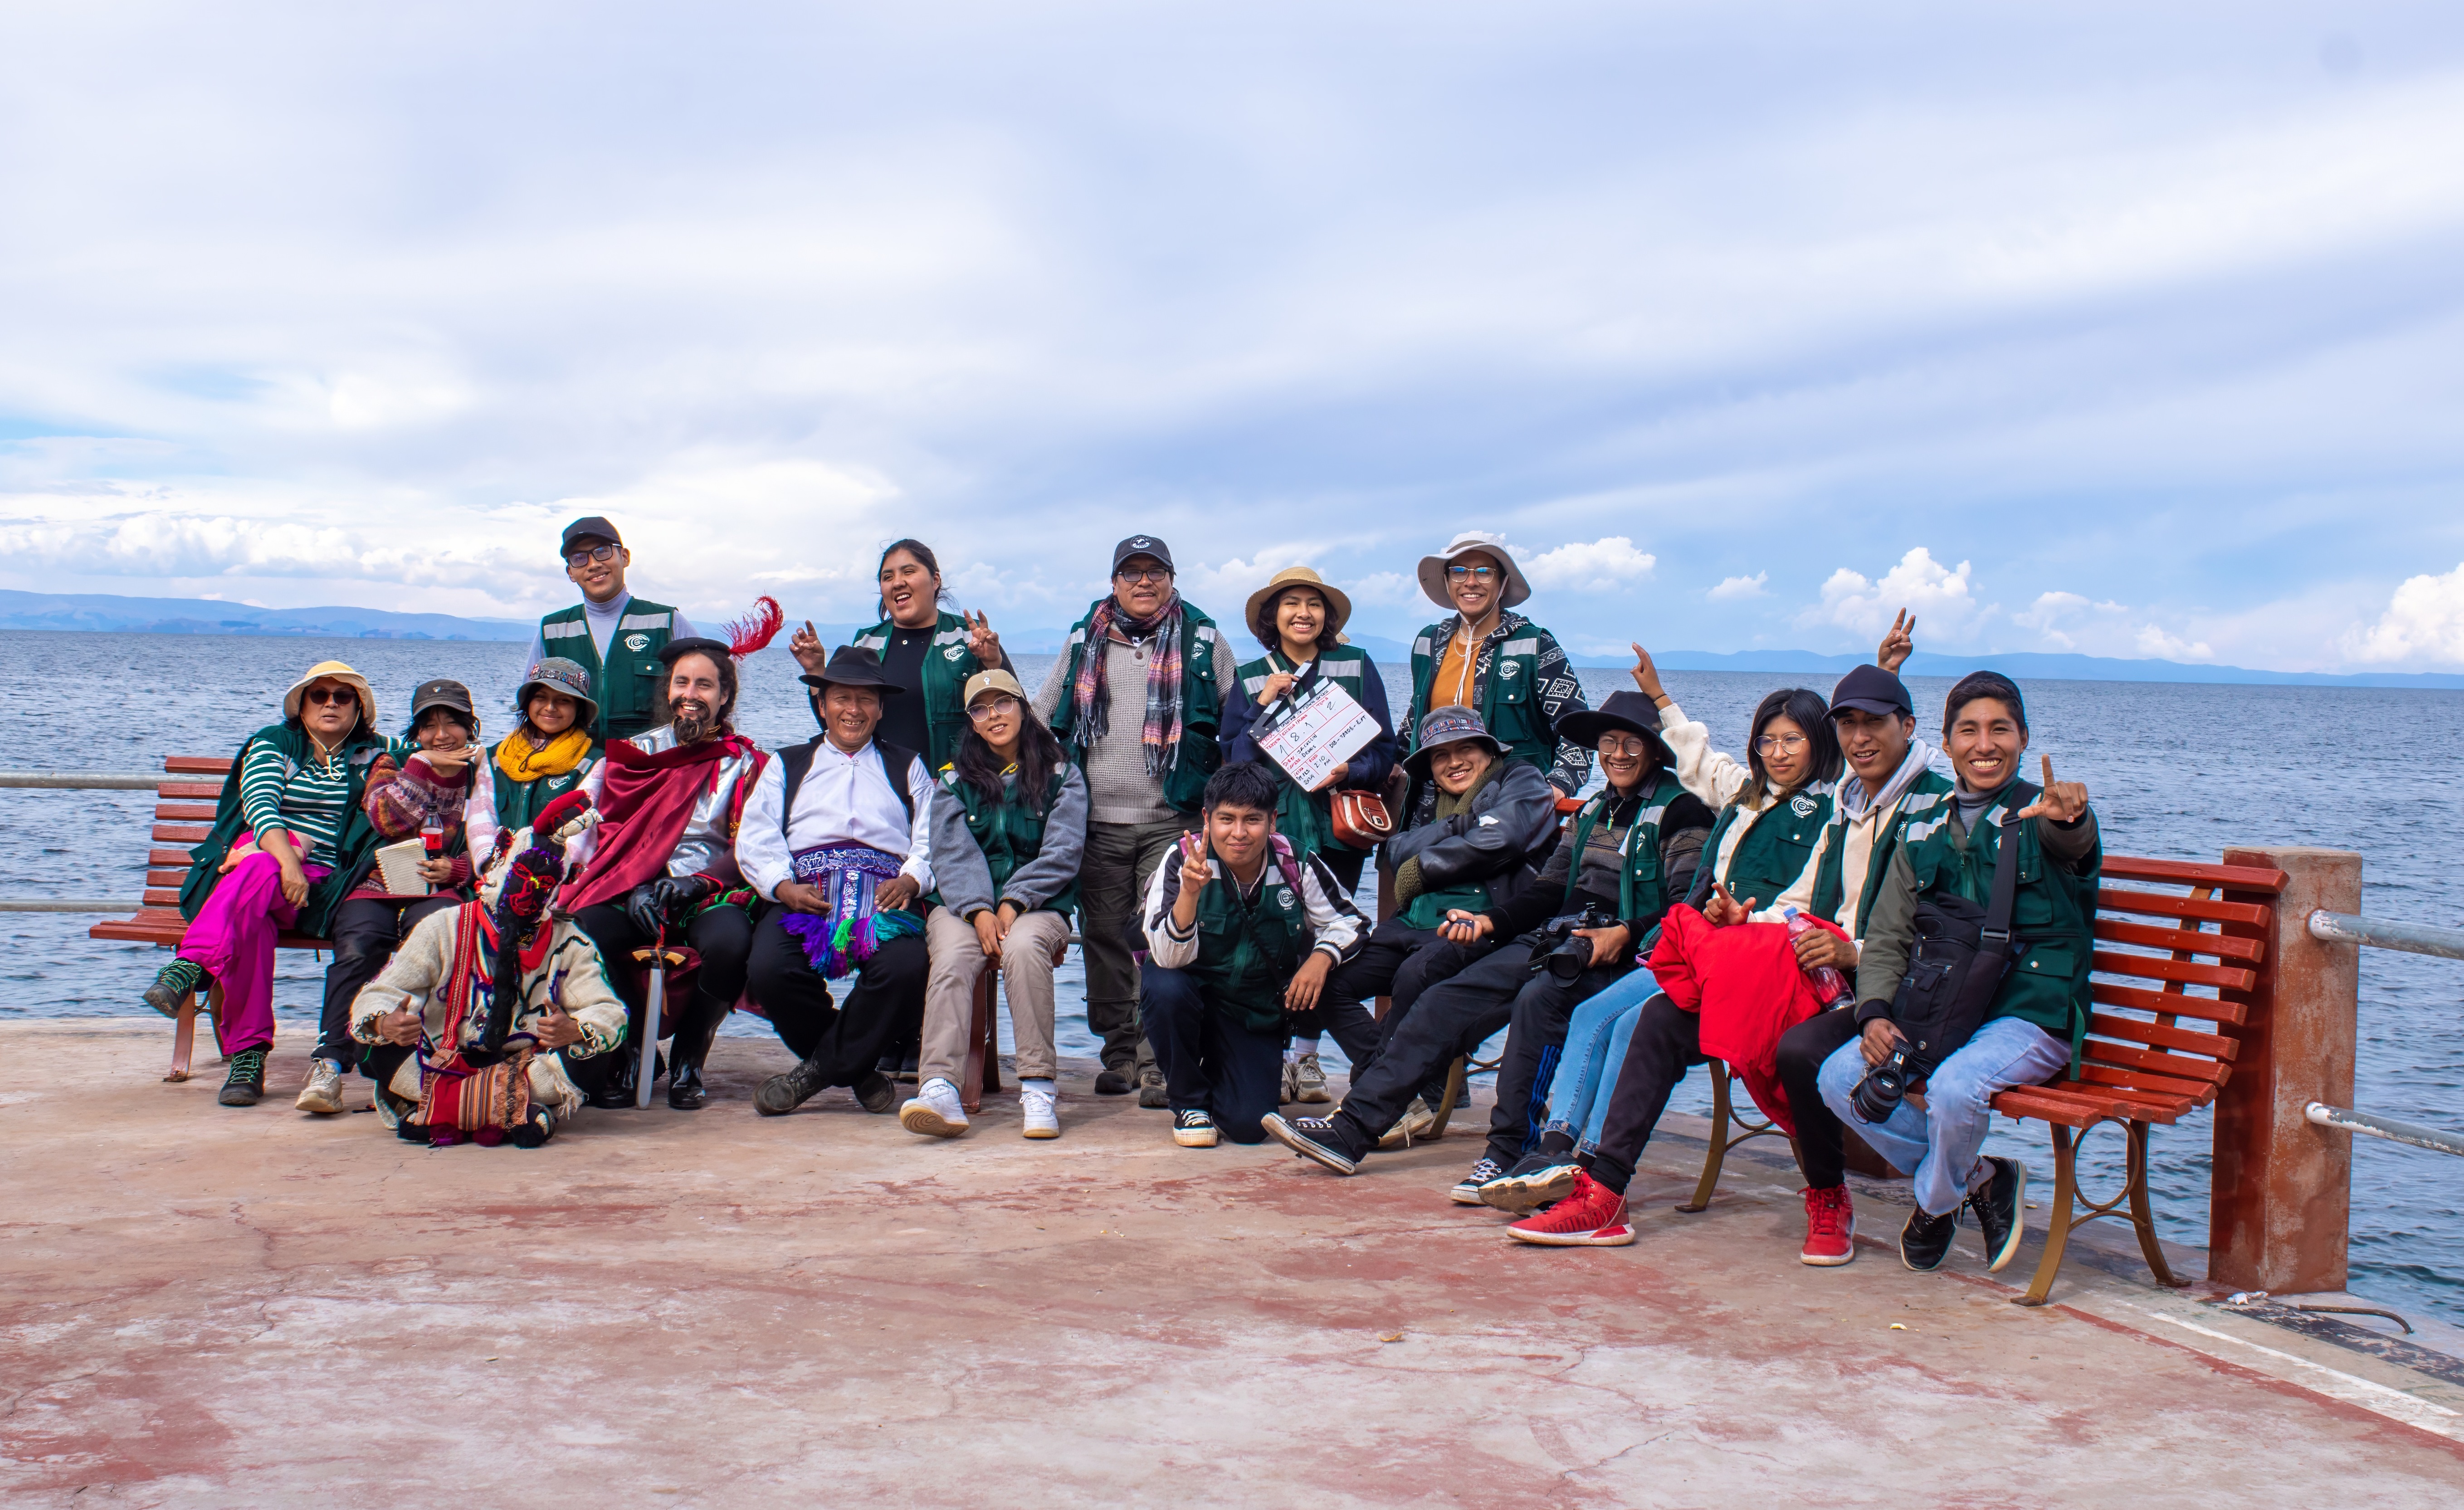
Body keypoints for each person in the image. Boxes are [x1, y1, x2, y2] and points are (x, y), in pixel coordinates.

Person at [1264, 693, 1713, 1187]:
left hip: (1628, 955)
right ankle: (1350, 1132)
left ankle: (1508, 1150)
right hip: (1558, 940)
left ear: (1654, 749)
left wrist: (1624, 933)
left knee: (1537, 1002)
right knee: (1442, 999)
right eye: (1608, 742)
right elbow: (1548, 890)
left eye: (1632, 742)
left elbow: (1685, 904)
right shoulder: (1595, 809)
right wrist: (1492, 923)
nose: (1618, 754)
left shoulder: (1681, 810)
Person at [1496, 678, 1844, 1246]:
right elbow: (1700, 759)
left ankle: (1592, 1170)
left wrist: (1887, 675)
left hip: (1763, 958)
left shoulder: (1833, 807)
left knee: (1633, 1024)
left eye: (1793, 740)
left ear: (1821, 743)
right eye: (1767, 741)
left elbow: (1816, 887)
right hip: (1705, 948)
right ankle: (1553, 1153)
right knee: (1594, 1014)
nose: (1778, 753)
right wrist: (1661, 699)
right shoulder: (1747, 797)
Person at [1816, 673, 2098, 1275]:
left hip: (2028, 1014)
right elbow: (1889, 934)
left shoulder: (2041, 811)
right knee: (1839, 1076)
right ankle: (1983, 1178)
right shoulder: (1922, 827)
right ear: (1946, 745)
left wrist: (2073, 818)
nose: (1984, 744)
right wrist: (1874, 1013)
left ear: (2023, 739)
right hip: (1944, 1009)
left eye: (2000, 729)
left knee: (1953, 1090)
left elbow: (2073, 841)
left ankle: (1934, 1202)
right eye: (1967, 731)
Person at [1033, 533, 1239, 1106]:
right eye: (1132, 572)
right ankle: (1119, 1053)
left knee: (1158, 937)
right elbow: (1041, 711)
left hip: (1172, 818)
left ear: (1172, 579)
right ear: (1114, 582)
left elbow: (1236, 719)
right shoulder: (1085, 636)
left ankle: (1157, 1061)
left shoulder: (1204, 639)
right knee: (1101, 937)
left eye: (1155, 571)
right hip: (1096, 819)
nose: (1143, 582)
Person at [147, 660, 405, 1109]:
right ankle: (247, 1054)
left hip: (326, 887)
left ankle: (197, 973)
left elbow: (441, 746)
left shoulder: (378, 751)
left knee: (253, 881)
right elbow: (261, 807)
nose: (330, 703)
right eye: (319, 695)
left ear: (359, 707)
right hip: (269, 872)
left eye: (342, 696)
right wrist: (289, 858)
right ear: (301, 704)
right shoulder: (273, 743)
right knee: (258, 884)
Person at [1306, 706, 1558, 1135]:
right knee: (1330, 978)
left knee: (1415, 975)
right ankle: (1395, 1089)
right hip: (1413, 920)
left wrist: (1430, 855)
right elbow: (1393, 849)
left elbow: (1502, 838)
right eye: (1441, 756)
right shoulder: (1425, 793)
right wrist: (1460, 825)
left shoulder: (1520, 777)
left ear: (1488, 751)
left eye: (1465, 749)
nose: (1454, 762)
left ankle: (1377, 1101)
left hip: (1482, 923)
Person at [558, 636, 768, 1110]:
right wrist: (633, 885)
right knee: (589, 925)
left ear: (725, 696)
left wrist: (698, 881)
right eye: (682, 682)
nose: (692, 693)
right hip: (637, 886)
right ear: (669, 691)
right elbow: (603, 834)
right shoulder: (633, 755)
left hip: (707, 888)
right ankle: (636, 1049)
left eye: (706, 684)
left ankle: (691, 1056)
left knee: (732, 941)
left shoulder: (749, 764)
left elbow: (754, 846)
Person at [349, 794, 627, 1146]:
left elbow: (608, 1010)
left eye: (543, 887)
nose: (529, 894)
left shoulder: (569, 941)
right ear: (498, 872)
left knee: (595, 1054)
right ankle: (512, 1110)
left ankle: (442, 1108)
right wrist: (386, 1020)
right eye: (522, 877)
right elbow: (381, 992)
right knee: (370, 1044)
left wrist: (573, 1029)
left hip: (525, 1065)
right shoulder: (443, 926)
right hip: (444, 1058)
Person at [1220, 565, 1400, 1103]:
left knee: (1327, 936)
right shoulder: (1253, 675)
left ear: (1327, 616)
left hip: (1336, 826)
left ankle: (1308, 1057)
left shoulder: (1356, 663)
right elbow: (1233, 758)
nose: (1303, 612)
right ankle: (1274, 1054)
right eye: (1291, 603)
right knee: (1274, 936)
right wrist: (1262, 705)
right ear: (1271, 616)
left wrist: (1351, 771)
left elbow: (1384, 747)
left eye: (1313, 603)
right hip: (1273, 829)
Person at [745, 645, 937, 1119]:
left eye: (866, 699)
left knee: (907, 965)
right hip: (804, 895)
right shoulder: (786, 764)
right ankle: (858, 1070)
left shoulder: (908, 765)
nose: (854, 709)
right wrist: (782, 886)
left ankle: (812, 1073)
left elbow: (931, 836)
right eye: (842, 698)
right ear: (822, 704)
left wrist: (913, 878)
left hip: (886, 895)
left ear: (881, 707)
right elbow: (756, 836)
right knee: (769, 968)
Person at [900, 669, 1088, 1140]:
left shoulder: (1063, 774)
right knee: (954, 955)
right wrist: (981, 908)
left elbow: (1063, 851)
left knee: (1024, 948)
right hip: (964, 905)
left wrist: (1015, 900)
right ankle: (940, 1085)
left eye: (1003, 702)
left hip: (1040, 904)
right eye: (981, 709)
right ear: (972, 721)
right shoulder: (953, 780)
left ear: (1023, 707)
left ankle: (1039, 1086)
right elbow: (950, 851)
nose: (994, 715)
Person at [1138, 762, 1366, 1148]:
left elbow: (1351, 923)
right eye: (1226, 819)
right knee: (1165, 986)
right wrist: (1190, 894)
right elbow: (1166, 956)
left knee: (1248, 1127)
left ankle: (1224, 1075)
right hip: (1191, 995)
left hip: (1251, 1010)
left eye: (1252, 820)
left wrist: (1320, 958)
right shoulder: (1181, 859)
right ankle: (1189, 1102)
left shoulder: (1296, 861)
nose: (1238, 833)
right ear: (1207, 818)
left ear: (1273, 820)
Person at [297, 679, 485, 1116]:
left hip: (443, 887)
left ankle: (402, 1068)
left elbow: (496, 836)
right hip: (378, 885)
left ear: (470, 725)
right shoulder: (393, 762)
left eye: (452, 723)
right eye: (430, 725)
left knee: (434, 940)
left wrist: (457, 870)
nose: (442, 734)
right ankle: (329, 1063)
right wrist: (420, 764)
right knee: (358, 945)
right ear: (416, 731)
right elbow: (387, 819)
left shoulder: (483, 772)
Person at [1404, 530, 1592, 799]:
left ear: (1503, 582)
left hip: (1510, 807)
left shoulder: (1535, 644)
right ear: (1447, 581)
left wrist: (1559, 785)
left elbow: (1578, 728)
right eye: (1459, 571)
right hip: (1430, 807)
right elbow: (1414, 722)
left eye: (1484, 572)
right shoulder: (1428, 643)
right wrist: (1394, 768)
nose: (1470, 582)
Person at [791, 539, 1008, 772]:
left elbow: (1014, 712)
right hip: (883, 786)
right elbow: (839, 725)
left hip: (959, 788)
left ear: (935, 580)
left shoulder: (968, 636)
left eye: (908, 572)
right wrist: (816, 671)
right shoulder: (865, 643)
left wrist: (992, 662)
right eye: (888, 577)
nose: (897, 583)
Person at [532, 515, 700, 744]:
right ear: (571, 572)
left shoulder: (667, 621)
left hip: (649, 769)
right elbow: (530, 707)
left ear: (625, 557)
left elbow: (706, 693)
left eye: (602, 551)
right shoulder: (552, 629)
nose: (593, 565)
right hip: (572, 771)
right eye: (579, 558)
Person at [466, 657, 607, 868]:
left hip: (552, 880)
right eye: (541, 697)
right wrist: (491, 867)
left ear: (579, 709)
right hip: (494, 878)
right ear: (528, 703)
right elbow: (481, 818)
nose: (550, 707)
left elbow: (582, 832)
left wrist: (544, 879)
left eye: (564, 700)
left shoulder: (592, 763)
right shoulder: (496, 758)